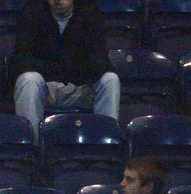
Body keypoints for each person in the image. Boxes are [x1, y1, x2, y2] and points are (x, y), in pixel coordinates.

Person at [9, 0, 118, 132]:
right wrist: (65, 69)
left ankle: (106, 141)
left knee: (110, 80)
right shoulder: (32, 12)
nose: (58, 1)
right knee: (27, 79)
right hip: (47, 88)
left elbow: (100, 61)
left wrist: (63, 70)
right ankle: (32, 144)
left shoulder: (90, 12)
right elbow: (21, 59)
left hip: (81, 86)